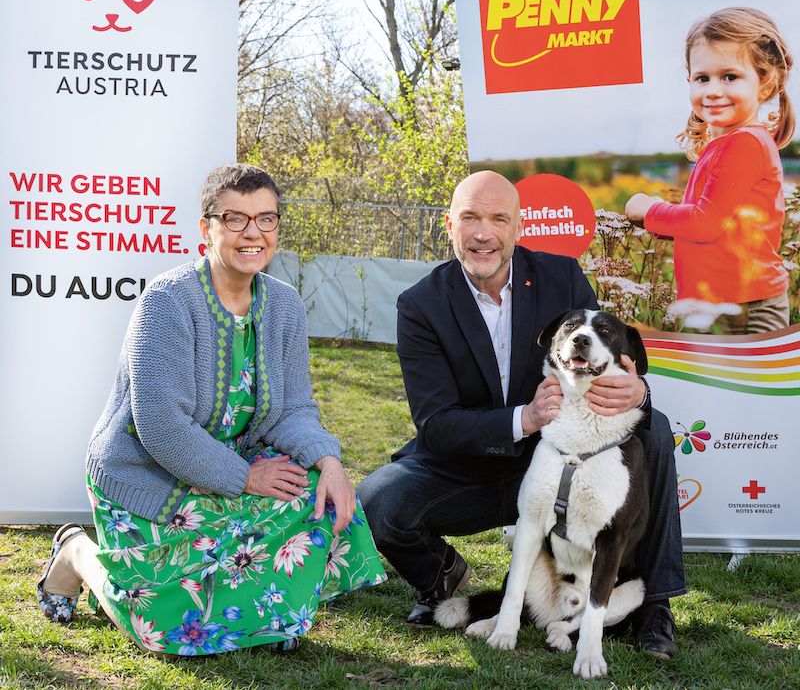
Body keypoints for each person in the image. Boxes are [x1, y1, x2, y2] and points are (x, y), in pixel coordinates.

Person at [37, 164, 386, 655]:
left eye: (266, 219)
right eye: (235, 218)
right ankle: (76, 551)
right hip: (145, 472)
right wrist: (245, 477)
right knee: (158, 630)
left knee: (315, 493)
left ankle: (264, 615)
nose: (253, 233)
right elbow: (160, 425)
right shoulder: (167, 301)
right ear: (207, 228)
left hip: (227, 468)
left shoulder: (283, 305)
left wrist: (329, 461)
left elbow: (293, 409)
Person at [358, 170, 686, 659]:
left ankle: (655, 605)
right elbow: (437, 423)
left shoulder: (561, 276)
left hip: (562, 459)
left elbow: (606, 361)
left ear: (517, 227)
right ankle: (441, 573)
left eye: (497, 219)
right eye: (469, 218)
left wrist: (636, 391)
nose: (483, 233)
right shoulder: (420, 305)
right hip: (470, 463)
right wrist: (525, 419)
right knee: (379, 498)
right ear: (449, 225)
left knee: (653, 427)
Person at [625, 7, 795, 334]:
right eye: (703, 78)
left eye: (729, 76)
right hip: (718, 305)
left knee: (746, 386)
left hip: (750, 310)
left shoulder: (745, 144)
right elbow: (710, 226)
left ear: (765, 82)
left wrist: (649, 209)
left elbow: (704, 223)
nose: (713, 90)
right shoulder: (727, 144)